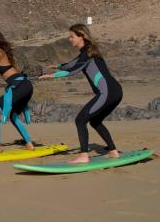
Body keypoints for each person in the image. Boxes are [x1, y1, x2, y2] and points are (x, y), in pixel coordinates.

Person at [40, 24, 122, 164]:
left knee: (80, 120)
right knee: (95, 121)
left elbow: (73, 70)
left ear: (81, 36)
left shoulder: (87, 54)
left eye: (72, 36)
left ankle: (84, 156)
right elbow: (73, 63)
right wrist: (58, 66)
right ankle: (113, 151)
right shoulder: (89, 52)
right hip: (116, 91)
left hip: (106, 92)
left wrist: (52, 75)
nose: (69, 39)